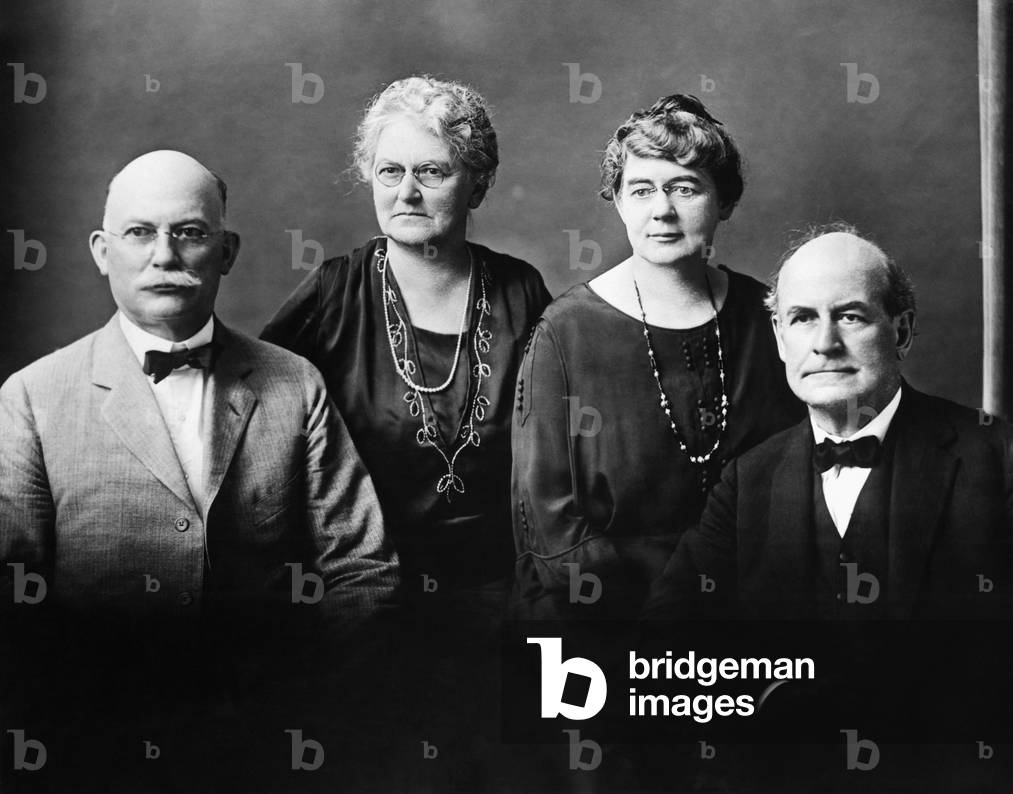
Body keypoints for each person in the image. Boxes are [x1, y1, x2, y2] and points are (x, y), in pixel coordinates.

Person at [0, 150, 398, 790]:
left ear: (227, 250)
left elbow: (362, 569)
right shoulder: (31, 397)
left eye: (189, 232)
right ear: (103, 250)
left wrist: (307, 701)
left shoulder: (294, 384)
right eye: (140, 233)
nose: (165, 255)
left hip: (268, 748)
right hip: (94, 750)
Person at [260, 76, 550, 791]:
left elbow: (555, 454)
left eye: (432, 172)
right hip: (367, 604)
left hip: (498, 605)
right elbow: (255, 430)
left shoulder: (520, 291)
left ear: (475, 183)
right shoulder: (333, 292)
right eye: (390, 172)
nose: (407, 193)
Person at [510, 94, 802, 620]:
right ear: (619, 202)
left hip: (753, 612)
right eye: (641, 190)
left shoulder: (767, 319)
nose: (661, 210)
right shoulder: (567, 330)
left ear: (725, 202)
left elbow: (801, 482)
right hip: (607, 616)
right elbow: (548, 520)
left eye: (685, 188)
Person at [645, 224, 1013, 621]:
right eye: (803, 318)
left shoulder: (1005, 462)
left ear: (902, 332)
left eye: (850, 317)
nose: (825, 343)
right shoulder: (746, 482)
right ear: (779, 337)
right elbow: (667, 636)